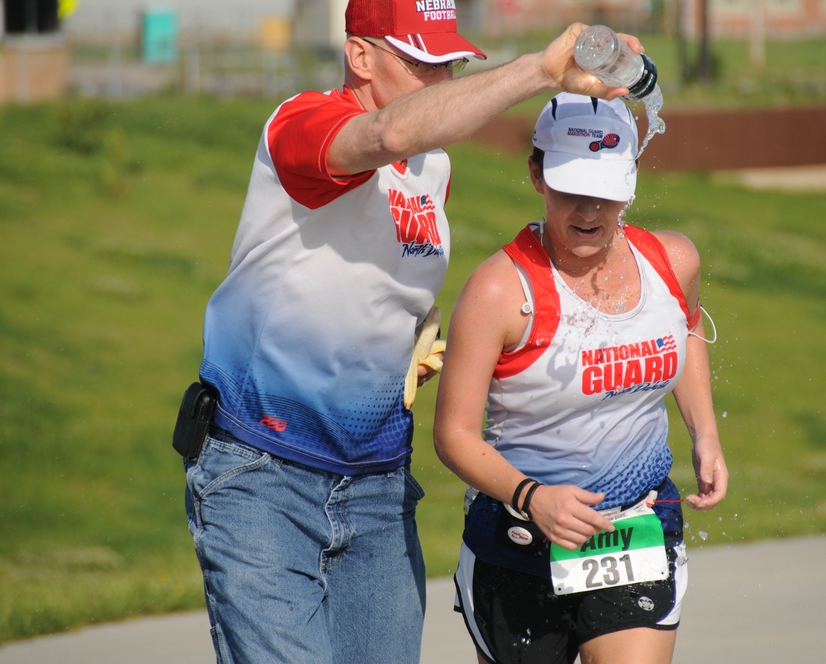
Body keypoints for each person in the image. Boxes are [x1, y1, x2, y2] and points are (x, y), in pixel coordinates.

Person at [177, 0, 650, 660]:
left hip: (375, 483)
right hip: (263, 476)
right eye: (423, 63)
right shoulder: (304, 124)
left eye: (450, 63)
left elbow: (376, 264)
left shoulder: (436, 171)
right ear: (360, 56)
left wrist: (413, 330)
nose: (444, 82)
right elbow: (388, 136)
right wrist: (539, 70)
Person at [433, 92, 729, 664]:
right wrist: (533, 497)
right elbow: (453, 435)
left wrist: (705, 433)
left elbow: (687, 330)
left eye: (606, 192)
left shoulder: (673, 261)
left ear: (632, 179)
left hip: (636, 528)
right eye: (571, 189)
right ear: (537, 176)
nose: (589, 211)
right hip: (519, 544)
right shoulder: (499, 292)